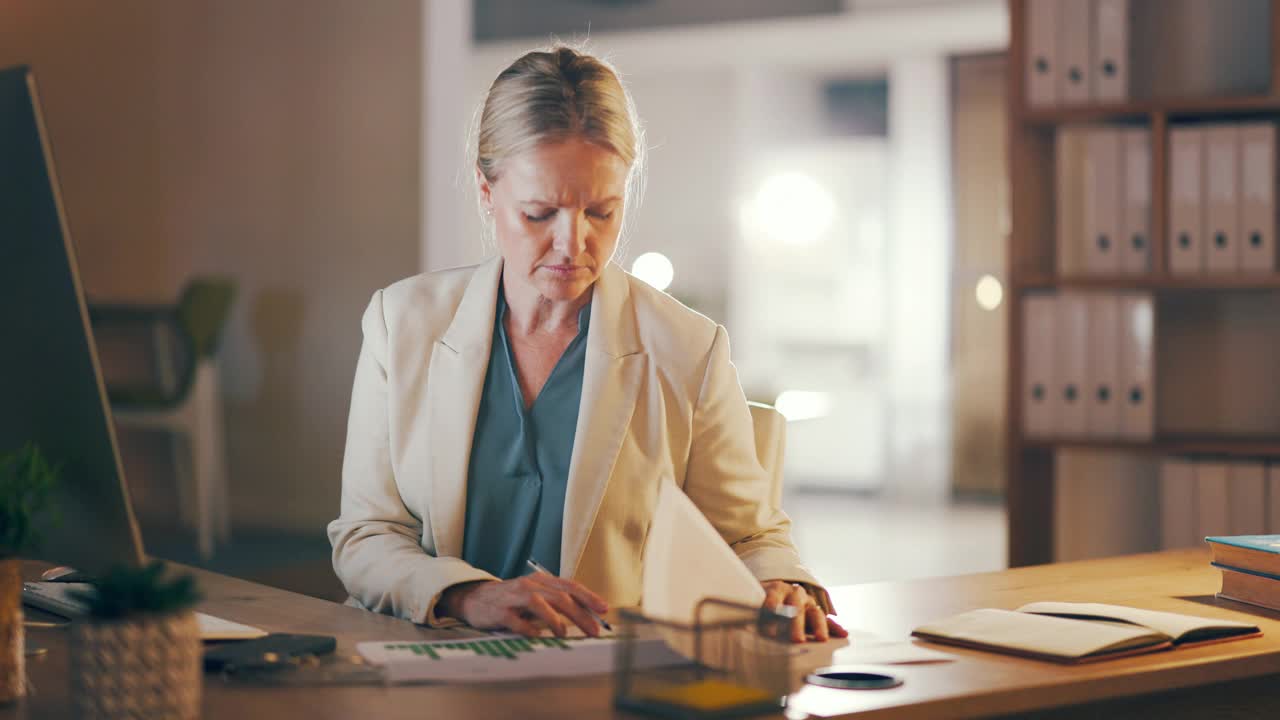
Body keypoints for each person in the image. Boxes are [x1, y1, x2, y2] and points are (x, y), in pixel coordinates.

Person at [328, 46, 844, 644]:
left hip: (598, 676)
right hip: (426, 660)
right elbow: (366, 534)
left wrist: (786, 586)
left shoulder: (688, 349)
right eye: (540, 213)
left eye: (601, 211)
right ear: (486, 190)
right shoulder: (401, 324)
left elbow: (750, 540)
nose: (574, 245)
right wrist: (468, 596)